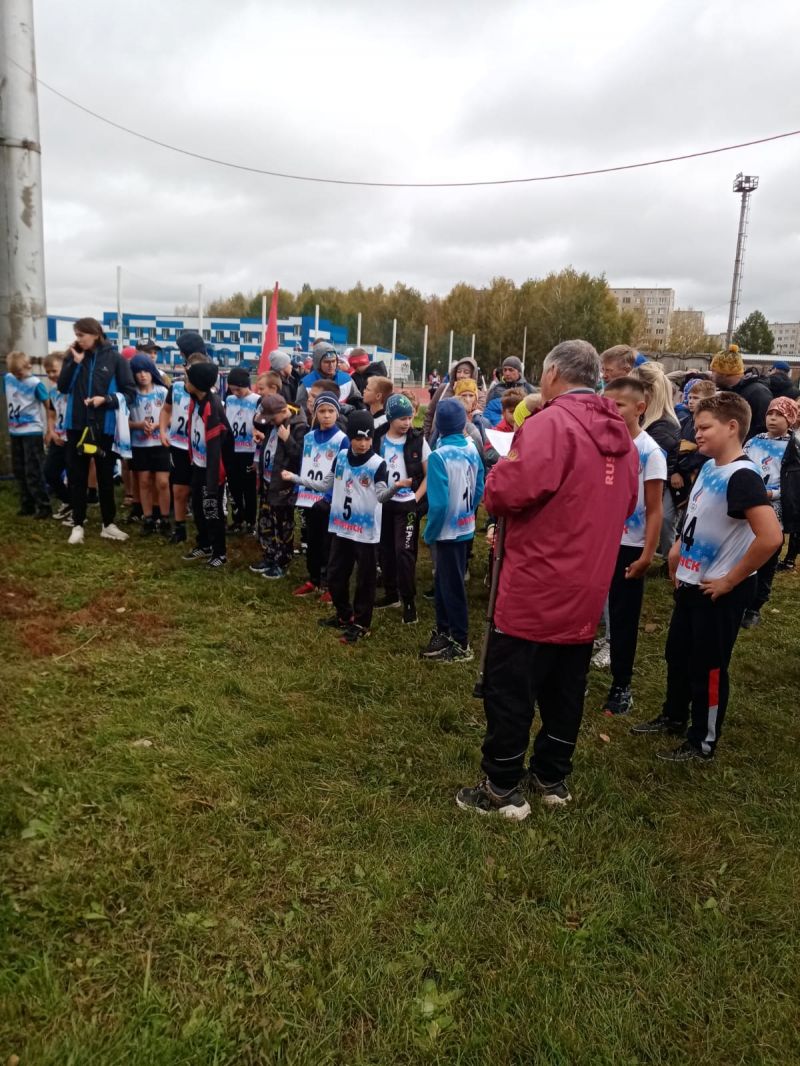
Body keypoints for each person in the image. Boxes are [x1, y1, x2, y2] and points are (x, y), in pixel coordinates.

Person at [455, 340, 638, 821]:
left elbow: (504, 493)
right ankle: (552, 776)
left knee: (511, 688)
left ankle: (501, 786)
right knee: (565, 689)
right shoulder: (620, 433)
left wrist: (499, 472)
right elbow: (627, 501)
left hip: (535, 584)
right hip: (588, 585)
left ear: (553, 373)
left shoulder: (549, 425)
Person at [630, 392, 783, 761]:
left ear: (732, 427)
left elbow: (771, 537)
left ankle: (703, 740)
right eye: (696, 427)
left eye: (704, 427)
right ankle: (674, 716)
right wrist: (677, 548)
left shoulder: (742, 477)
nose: (695, 434)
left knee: (708, 666)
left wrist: (730, 580)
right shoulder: (711, 466)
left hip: (719, 591)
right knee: (678, 654)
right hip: (691, 582)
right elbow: (698, 512)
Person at [289, 410, 408, 645]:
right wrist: (296, 478)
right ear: (350, 437)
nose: (363, 443)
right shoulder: (341, 457)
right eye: (358, 438)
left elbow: (381, 496)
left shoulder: (378, 464)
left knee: (365, 580)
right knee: (335, 575)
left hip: (365, 534)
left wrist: (396, 487)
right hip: (341, 527)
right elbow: (324, 485)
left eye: (367, 438)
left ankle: (362, 624)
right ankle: (344, 615)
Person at [600, 378, 666, 716]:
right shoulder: (601, 441)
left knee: (623, 616)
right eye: (606, 403)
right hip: (598, 540)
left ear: (640, 408)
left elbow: (655, 509)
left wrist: (646, 554)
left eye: (619, 405)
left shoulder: (650, 452)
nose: (611, 410)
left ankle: (621, 683)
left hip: (629, 545)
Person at [57, 317, 135, 545]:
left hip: (105, 426)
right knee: (77, 476)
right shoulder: (73, 356)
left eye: (82, 335)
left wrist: (106, 400)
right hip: (76, 425)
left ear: (96, 334)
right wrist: (75, 363)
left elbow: (130, 393)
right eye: (76, 335)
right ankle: (78, 524)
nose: (78, 339)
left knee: (105, 476)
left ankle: (108, 524)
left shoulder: (116, 359)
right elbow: (62, 387)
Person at [419, 398, 484, 663]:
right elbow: (479, 487)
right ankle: (444, 630)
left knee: (452, 586)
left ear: (438, 425)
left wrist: (429, 533)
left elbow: (439, 504)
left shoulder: (438, 456)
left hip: (446, 532)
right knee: (442, 582)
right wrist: (469, 512)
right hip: (465, 526)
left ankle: (461, 642)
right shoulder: (471, 447)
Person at [741, 396, 799, 627]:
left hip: (774, 509)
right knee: (743, 551)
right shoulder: (754, 441)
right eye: (770, 414)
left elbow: (794, 486)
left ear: (791, 419)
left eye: (780, 415)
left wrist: (772, 494)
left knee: (766, 559)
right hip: (748, 505)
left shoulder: (793, 448)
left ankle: (755, 606)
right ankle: (738, 595)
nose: (773, 419)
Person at [375, 393, 430, 624]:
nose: (407, 423)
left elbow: (428, 474)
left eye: (409, 418)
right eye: (402, 419)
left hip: (407, 506)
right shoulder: (378, 438)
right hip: (384, 502)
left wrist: (416, 498)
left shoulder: (418, 440)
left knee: (404, 551)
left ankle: (408, 601)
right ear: (390, 418)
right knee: (385, 549)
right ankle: (391, 594)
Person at [291, 392, 347, 597]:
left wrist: (330, 496)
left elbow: (342, 471)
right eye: (322, 411)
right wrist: (298, 487)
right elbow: (303, 463)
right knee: (312, 541)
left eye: (331, 411)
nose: (326, 415)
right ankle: (313, 578)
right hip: (308, 498)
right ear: (315, 413)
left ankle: (329, 584)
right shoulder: (308, 437)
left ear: (337, 413)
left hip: (328, 501)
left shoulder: (342, 440)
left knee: (328, 544)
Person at [182, 360, 234, 569]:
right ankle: (204, 543)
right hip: (198, 464)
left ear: (198, 383)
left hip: (212, 471)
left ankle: (219, 551)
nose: (185, 382)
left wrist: (214, 480)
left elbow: (218, 444)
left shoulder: (212, 408)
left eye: (188, 379)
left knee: (212, 509)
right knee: (198, 506)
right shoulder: (196, 400)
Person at [249, 394, 307, 579]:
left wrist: (288, 439)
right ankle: (269, 554)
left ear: (283, 411)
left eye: (272, 418)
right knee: (266, 521)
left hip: (283, 484)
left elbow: (301, 457)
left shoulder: (298, 427)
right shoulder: (273, 423)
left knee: (283, 524)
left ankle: (282, 560)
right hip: (268, 481)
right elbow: (260, 423)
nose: (270, 422)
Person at [159, 349, 209, 544]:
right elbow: (166, 410)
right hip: (178, 445)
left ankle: (204, 528)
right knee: (179, 489)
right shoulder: (176, 388)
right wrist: (162, 431)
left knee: (197, 491)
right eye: (190, 369)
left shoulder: (207, 393)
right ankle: (179, 527)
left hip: (198, 449)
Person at [632, 361, 681, 556]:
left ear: (647, 393)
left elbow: (641, 467)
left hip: (641, 511)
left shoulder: (662, 428)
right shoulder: (650, 422)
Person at [3, 350, 51, 519]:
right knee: (19, 469)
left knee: (33, 469)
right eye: (14, 372)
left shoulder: (35, 384)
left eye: (20, 372)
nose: (17, 375)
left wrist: (49, 429)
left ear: (28, 366)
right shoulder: (8, 379)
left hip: (32, 431)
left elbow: (48, 405)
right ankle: (27, 503)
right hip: (15, 431)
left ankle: (43, 505)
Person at [128, 354, 170, 536]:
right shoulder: (131, 394)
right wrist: (139, 425)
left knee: (162, 482)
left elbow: (172, 417)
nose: (142, 375)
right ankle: (148, 518)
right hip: (140, 444)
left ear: (152, 372)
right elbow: (124, 421)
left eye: (146, 371)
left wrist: (158, 425)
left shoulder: (163, 392)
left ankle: (165, 518)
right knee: (144, 481)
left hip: (160, 442)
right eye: (138, 372)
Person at [224, 367, 260, 534]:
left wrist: (257, 457)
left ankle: (251, 521)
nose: (236, 393)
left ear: (247, 385)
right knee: (234, 486)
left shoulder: (257, 400)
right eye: (233, 389)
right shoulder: (229, 399)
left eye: (239, 389)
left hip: (249, 451)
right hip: (232, 450)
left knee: (249, 488)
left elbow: (260, 428)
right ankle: (237, 519)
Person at [671, 379, 715, 512]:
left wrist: (685, 467)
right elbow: (675, 447)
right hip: (681, 476)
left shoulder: (714, 423)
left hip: (702, 475)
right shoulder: (685, 421)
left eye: (696, 398)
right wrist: (675, 471)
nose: (690, 401)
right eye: (689, 397)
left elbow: (708, 450)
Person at [710, 345, 772, 439]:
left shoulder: (758, 393)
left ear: (725, 373)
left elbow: (763, 429)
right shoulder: (726, 391)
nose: (711, 375)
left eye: (713, 371)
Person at [423, 357, 484, 441]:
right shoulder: (443, 388)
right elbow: (429, 414)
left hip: (464, 441)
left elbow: (473, 419)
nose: (461, 375)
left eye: (466, 372)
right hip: (436, 439)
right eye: (459, 371)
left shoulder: (479, 396)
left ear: (473, 375)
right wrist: (425, 438)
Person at [42, 352, 71, 520]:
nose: (51, 375)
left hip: (72, 440)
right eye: (48, 372)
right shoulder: (52, 391)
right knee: (50, 472)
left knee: (74, 476)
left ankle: (77, 509)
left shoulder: (74, 390)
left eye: (54, 370)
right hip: (58, 439)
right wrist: (51, 432)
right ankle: (68, 500)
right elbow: (52, 414)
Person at [296, 342, 362, 408]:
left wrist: (350, 409)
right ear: (318, 363)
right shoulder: (306, 383)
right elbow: (300, 409)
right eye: (327, 362)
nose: (331, 365)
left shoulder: (346, 379)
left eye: (333, 361)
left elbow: (358, 402)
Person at [482, 357, 535, 427]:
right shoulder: (495, 390)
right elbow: (488, 412)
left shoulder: (529, 389)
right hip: (497, 428)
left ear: (519, 371)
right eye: (505, 370)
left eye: (511, 370)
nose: (507, 373)